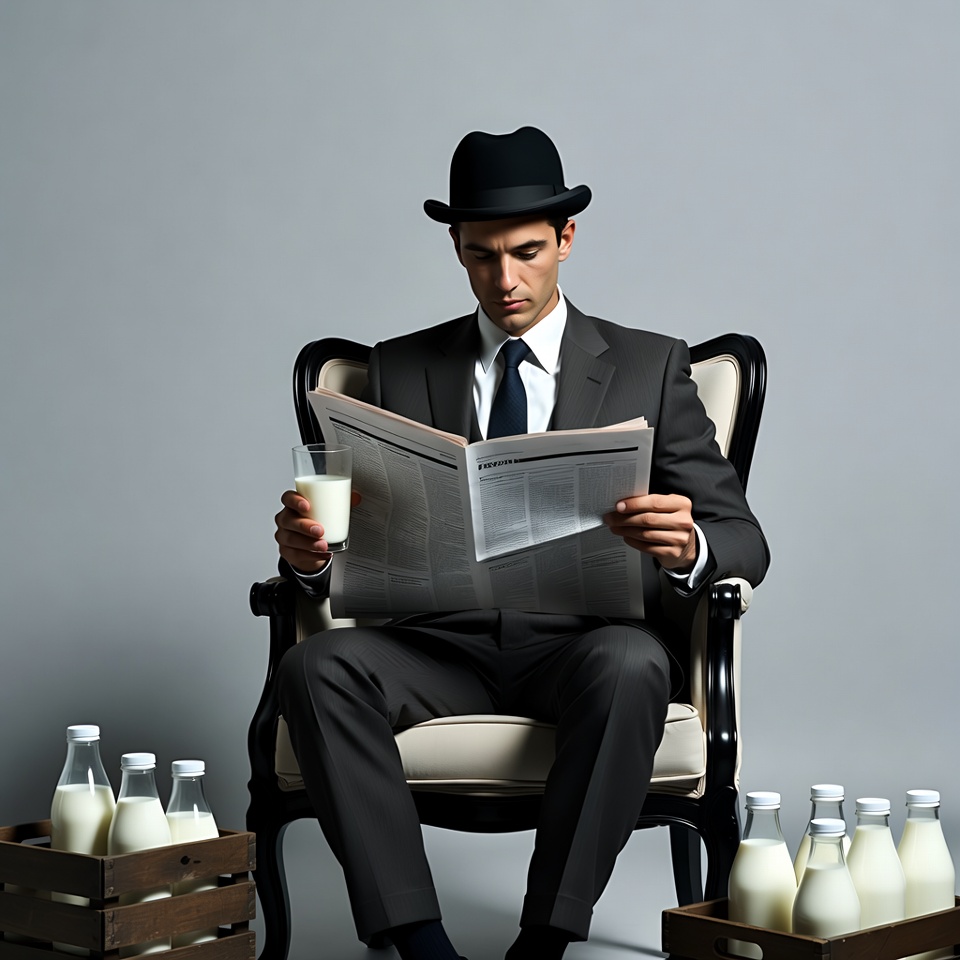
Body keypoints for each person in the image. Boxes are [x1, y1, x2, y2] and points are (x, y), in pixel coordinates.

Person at [273, 126, 769, 960]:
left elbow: (741, 540)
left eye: (527, 252)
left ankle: (544, 940)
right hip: (440, 647)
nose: (505, 280)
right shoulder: (399, 368)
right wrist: (312, 556)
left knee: (634, 663)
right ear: (458, 249)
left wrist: (688, 547)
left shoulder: (650, 367)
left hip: (585, 650)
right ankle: (420, 942)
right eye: (480, 257)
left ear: (567, 239)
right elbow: (355, 542)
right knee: (313, 668)